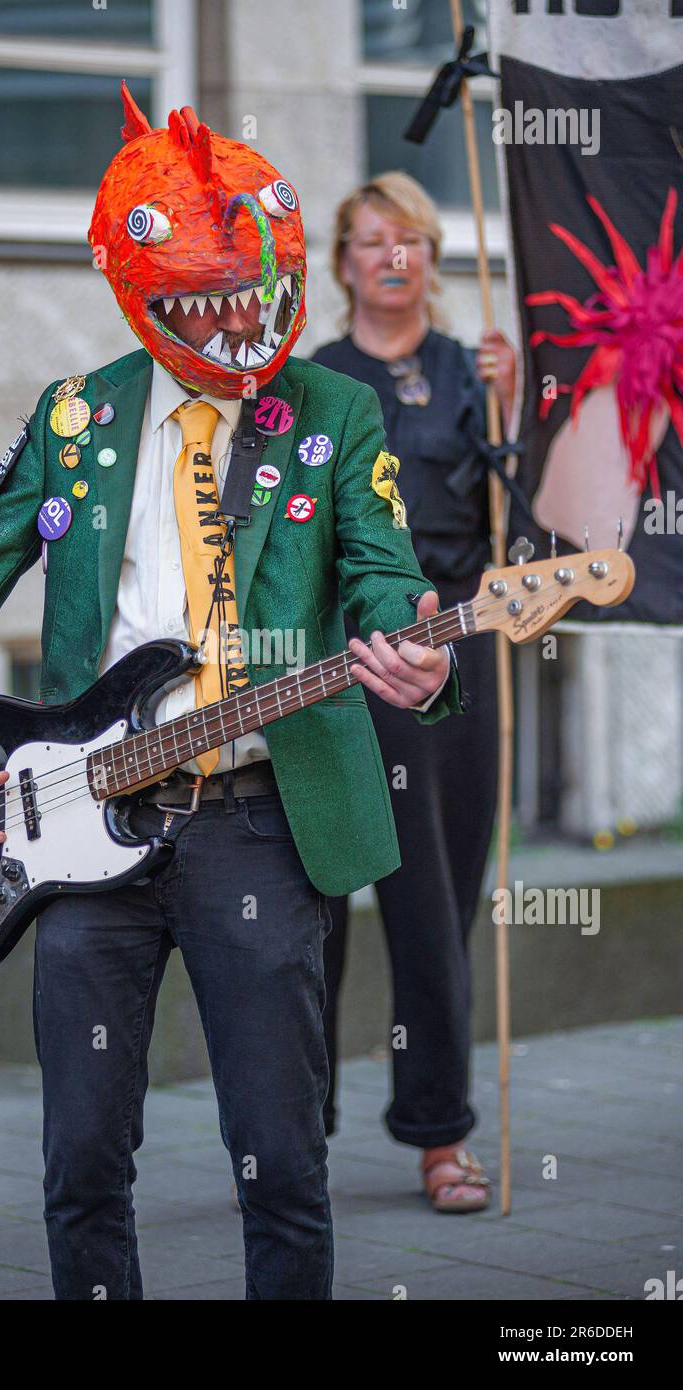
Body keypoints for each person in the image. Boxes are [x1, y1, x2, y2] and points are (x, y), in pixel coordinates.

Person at [0, 92, 459, 1300]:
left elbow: (383, 569)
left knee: (280, 1158)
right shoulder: (74, 414)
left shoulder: (331, 411)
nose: (237, 315)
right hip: (82, 816)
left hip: (256, 813)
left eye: (254, 290)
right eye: (208, 296)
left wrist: (420, 644)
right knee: (84, 1153)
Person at [312, 172, 517, 1214]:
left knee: (434, 900)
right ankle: (292, 1131)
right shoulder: (313, 383)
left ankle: (441, 1136)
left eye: (412, 241)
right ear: (342, 261)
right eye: (371, 241)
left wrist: (514, 407)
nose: (392, 258)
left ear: (431, 260)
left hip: (450, 653)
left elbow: (523, 534)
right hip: (333, 657)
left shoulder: (471, 370)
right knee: (312, 899)